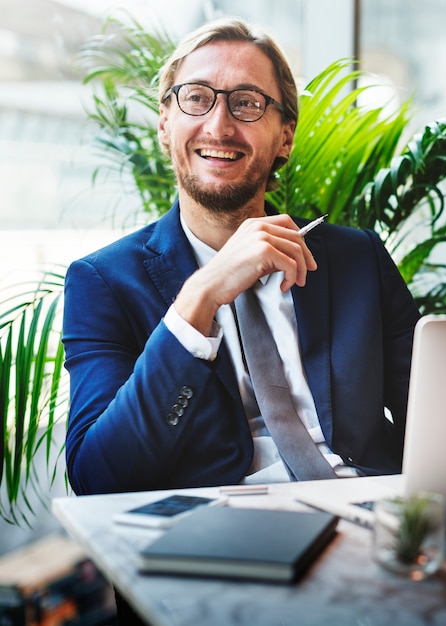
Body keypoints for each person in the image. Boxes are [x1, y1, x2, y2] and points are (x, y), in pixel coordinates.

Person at [62, 17, 420, 498]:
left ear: (284, 138)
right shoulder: (102, 282)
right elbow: (97, 478)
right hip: (219, 532)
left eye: (247, 103)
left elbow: (437, 419)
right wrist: (201, 296)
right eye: (196, 97)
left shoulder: (358, 258)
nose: (219, 125)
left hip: (371, 515)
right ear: (165, 124)